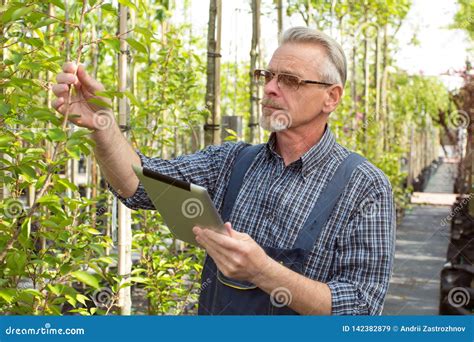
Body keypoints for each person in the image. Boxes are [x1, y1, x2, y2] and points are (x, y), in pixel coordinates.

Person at [53, 26, 395, 315]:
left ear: (330, 98)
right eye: (267, 75)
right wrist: (101, 124)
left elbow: (362, 306)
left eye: (289, 80)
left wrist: (264, 272)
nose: (270, 88)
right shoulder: (232, 163)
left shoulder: (363, 187)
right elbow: (140, 185)